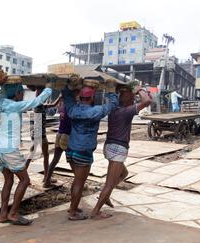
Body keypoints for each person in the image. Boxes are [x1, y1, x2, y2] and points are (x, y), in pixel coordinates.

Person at [0, 74, 52, 225]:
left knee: (8, 181)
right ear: (17, 93)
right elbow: (37, 101)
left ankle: (3, 215)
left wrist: (1, 85)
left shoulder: (3, 101)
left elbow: (2, 93)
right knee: (25, 180)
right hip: (9, 149)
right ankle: (13, 213)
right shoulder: (15, 105)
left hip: (0, 148)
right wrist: (49, 87)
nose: (22, 95)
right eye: (21, 92)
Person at [91, 85, 152, 219]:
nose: (134, 97)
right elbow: (147, 101)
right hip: (118, 148)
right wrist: (140, 90)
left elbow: (146, 100)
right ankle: (96, 210)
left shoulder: (115, 109)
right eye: (132, 95)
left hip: (110, 146)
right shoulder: (126, 111)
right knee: (109, 183)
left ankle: (106, 196)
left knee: (124, 173)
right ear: (127, 98)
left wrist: (136, 92)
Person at [63, 76, 118, 221]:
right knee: (79, 183)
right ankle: (73, 212)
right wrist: (111, 90)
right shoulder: (96, 111)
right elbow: (113, 104)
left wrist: (70, 87)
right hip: (84, 152)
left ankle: (72, 206)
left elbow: (66, 96)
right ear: (92, 97)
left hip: (70, 150)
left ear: (80, 96)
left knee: (77, 180)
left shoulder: (73, 110)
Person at [27, 86, 62, 184]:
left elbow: (53, 104)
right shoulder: (39, 105)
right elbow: (52, 105)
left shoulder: (37, 104)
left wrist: (59, 98)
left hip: (35, 133)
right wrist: (59, 98)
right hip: (40, 134)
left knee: (31, 154)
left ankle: (25, 176)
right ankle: (46, 177)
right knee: (45, 155)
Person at [43, 98, 71, 188]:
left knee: (55, 159)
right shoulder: (71, 108)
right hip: (66, 136)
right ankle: (80, 181)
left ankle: (47, 181)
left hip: (59, 134)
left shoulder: (62, 107)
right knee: (73, 161)